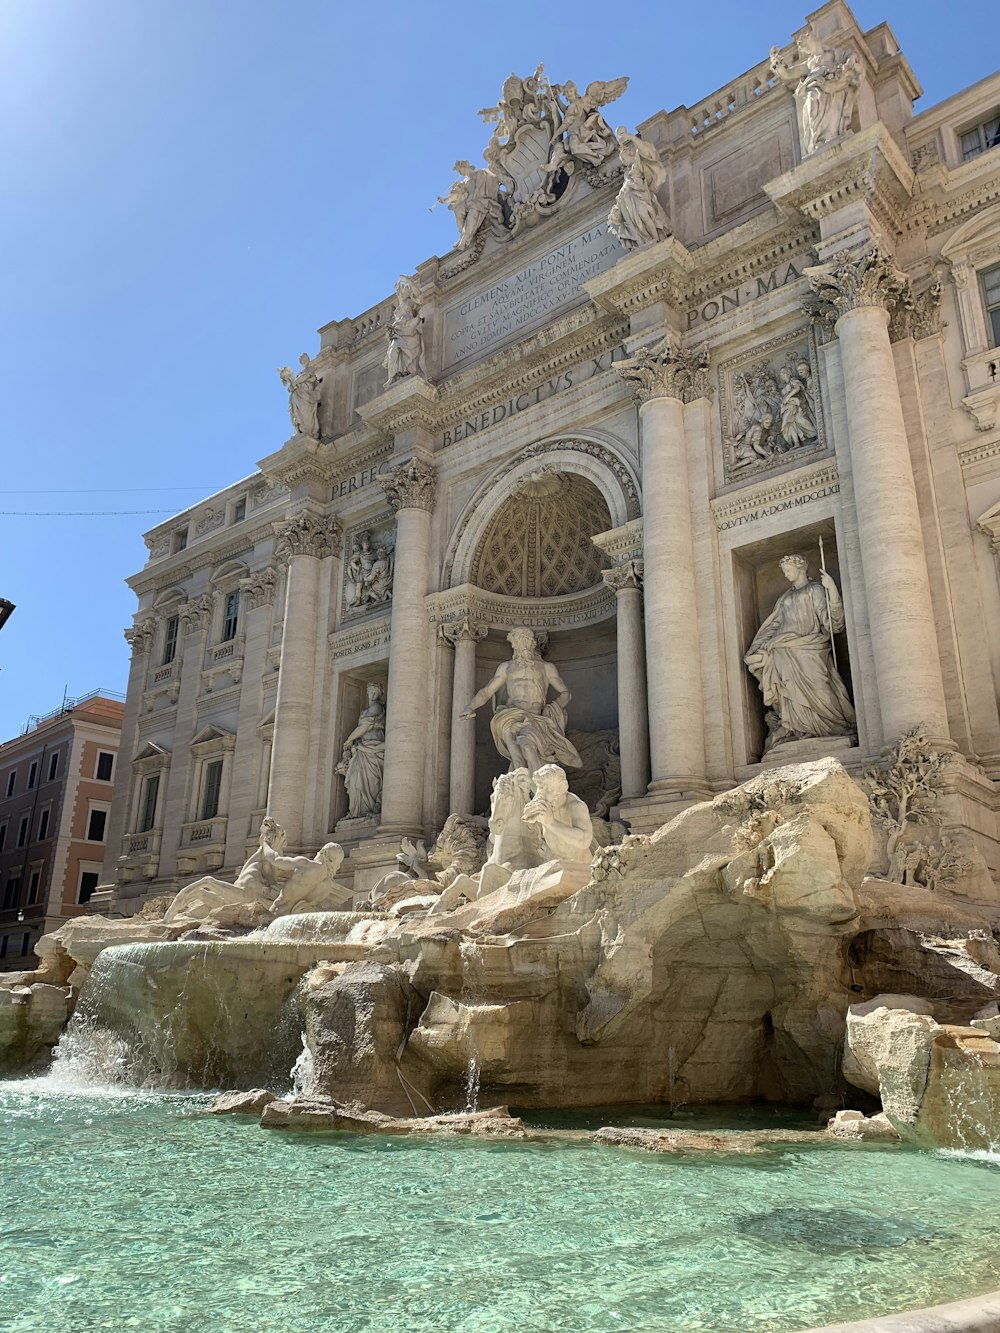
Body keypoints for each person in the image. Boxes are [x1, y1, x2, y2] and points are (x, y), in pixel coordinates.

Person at [744, 555, 855, 752]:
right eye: (784, 571)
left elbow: (832, 624)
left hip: (810, 647)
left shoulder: (815, 589)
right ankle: (797, 728)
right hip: (782, 648)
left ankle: (833, 727)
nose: (786, 574)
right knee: (788, 690)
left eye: (788, 570)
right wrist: (758, 647)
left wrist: (833, 592)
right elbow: (774, 624)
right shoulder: (785, 597)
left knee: (821, 688)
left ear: (800, 568)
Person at [460, 627, 582, 774]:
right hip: (509, 716)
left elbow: (565, 692)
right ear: (513, 644)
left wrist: (554, 708)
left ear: (532, 643)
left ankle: (539, 788)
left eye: (525, 640)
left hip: (535, 717)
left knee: (527, 746)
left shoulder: (546, 668)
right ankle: (523, 789)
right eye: (518, 640)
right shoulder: (506, 668)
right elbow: (486, 691)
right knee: (517, 758)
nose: (522, 644)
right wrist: (470, 707)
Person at [607, 128, 670, 250]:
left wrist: (631, 137)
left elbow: (647, 153)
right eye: (622, 160)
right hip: (628, 199)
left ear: (630, 154)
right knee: (635, 221)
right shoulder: (627, 174)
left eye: (624, 158)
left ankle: (654, 238)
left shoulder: (638, 164)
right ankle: (642, 240)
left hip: (640, 196)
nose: (623, 161)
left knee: (644, 215)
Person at [336, 682, 386, 819]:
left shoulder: (376, 707)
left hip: (373, 746)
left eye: (375, 692)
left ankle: (368, 809)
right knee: (357, 777)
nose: (372, 694)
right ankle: (357, 812)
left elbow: (365, 727)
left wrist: (349, 739)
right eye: (370, 691)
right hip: (363, 747)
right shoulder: (367, 709)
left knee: (371, 779)